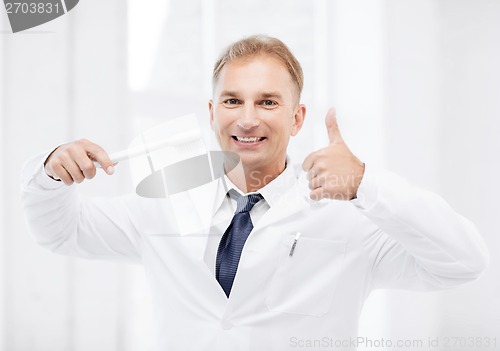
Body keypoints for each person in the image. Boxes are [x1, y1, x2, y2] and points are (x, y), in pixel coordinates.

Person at [21, 35, 489, 351]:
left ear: (297, 117)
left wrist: (367, 181)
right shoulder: (164, 204)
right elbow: (62, 233)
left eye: (268, 102)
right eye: (232, 101)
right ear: (212, 111)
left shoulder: (351, 218)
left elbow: (463, 262)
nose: (247, 119)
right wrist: (51, 173)